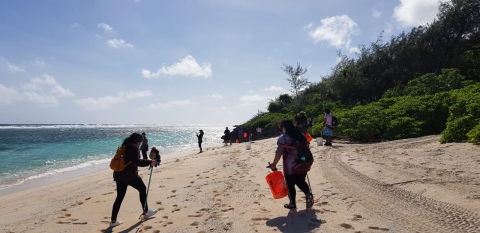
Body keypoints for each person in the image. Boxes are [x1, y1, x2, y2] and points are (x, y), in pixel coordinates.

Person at [110, 133, 158, 227]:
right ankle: (146, 211)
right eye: (140, 141)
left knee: (119, 197)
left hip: (118, 174)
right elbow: (137, 161)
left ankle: (113, 221)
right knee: (142, 189)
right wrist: (150, 162)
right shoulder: (134, 148)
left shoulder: (124, 146)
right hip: (129, 175)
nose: (140, 143)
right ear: (136, 140)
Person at [270, 120, 314, 210]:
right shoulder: (300, 135)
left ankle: (292, 204)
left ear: (284, 127)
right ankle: (308, 193)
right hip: (303, 163)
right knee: (301, 181)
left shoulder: (284, 138)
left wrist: (273, 164)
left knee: (290, 185)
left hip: (290, 166)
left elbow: (279, 152)